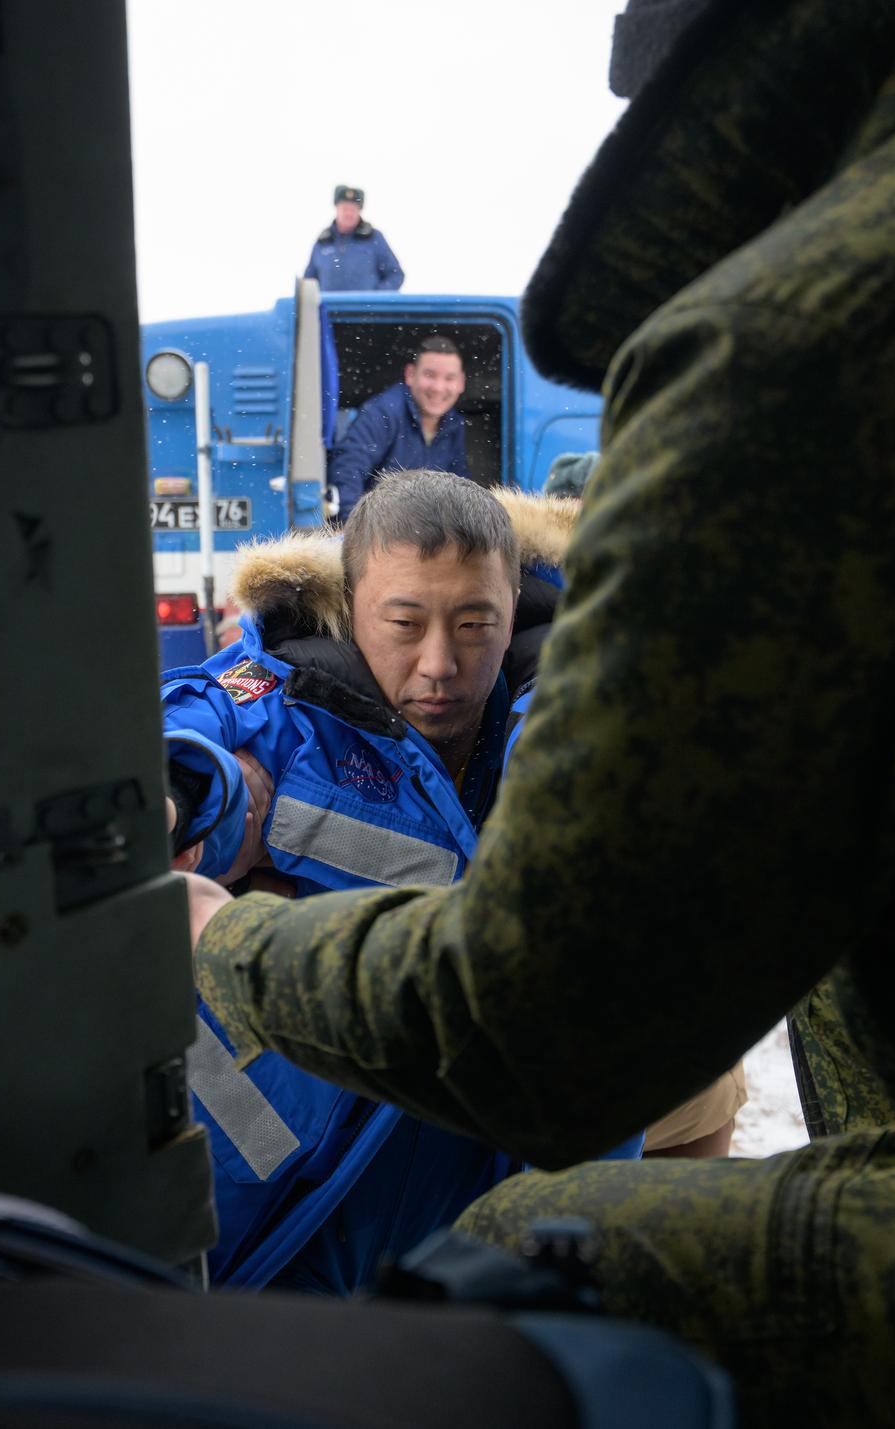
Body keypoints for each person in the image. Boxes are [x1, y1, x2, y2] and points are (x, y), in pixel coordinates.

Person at [180, 0, 895, 1421]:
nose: (441, 660)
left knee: (528, 1270)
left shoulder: (806, 343)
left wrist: (232, 940)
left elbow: (537, 1032)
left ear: (728, 114)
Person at [163, 471, 639, 1294]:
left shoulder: (579, 699)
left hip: (493, 1197)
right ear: (350, 605)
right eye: (404, 623)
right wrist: (180, 795)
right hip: (273, 1193)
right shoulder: (282, 698)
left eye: (474, 623)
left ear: (514, 602)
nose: (440, 663)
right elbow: (196, 741)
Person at [327, 336, 469, 521]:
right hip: (379, 531)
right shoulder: (384, 411)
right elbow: (347, 469)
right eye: (430, 375)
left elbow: (460, 489)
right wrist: (351, 525)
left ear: (461, 383)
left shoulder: (454, 424)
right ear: (410, 374)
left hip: (423, 534)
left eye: (449, 378)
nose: (438, 387)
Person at [304, 184, 403, 292]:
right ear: (337, 208)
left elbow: (395, 275)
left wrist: (375, 299)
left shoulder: (374, 238)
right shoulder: (323, 242)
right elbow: (308, 282)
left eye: (353, 209)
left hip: (365, 309)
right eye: (345, 208)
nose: (349, 214)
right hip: (328, 308)